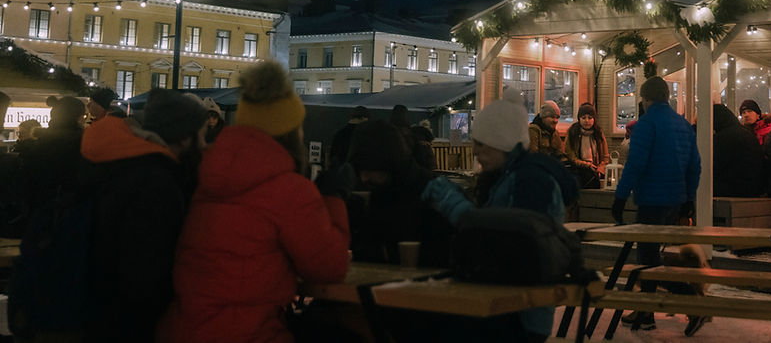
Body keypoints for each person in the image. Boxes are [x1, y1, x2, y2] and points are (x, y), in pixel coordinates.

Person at [161, 61, 350, 343]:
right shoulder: (288, 188)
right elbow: (329, 267)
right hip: (247, 333)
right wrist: (334, 199)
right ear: (291, 132)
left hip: (183, 328)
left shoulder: (212, 176)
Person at [422, 88, 579, 343]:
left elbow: (516, 242)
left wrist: (458, 209)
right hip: (503, 303)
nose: (474, 152)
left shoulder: (531, 181)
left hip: (519, 313)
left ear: (502, 143)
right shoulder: (506, 177)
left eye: (481, 144)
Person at [76, 88, 208, 342]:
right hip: (131, 321)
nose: (204, 143)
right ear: (183, 137)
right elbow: (147, 270)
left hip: (95, 309)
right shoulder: (156, 182)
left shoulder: (120, 164)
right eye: (201, 134)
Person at [611, 77, 705, 336]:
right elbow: (694, 166)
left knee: (648, 261)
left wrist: (620, 197)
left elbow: (635, 164)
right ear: (667, 96)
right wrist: (688, 200)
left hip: (651, 200)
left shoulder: (646, 125)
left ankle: (693, 303)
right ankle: (646, 312)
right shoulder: (683, 125)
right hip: (674, 201)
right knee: (652, 257)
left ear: (645, 98)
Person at [346, 119, 453, 267]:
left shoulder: (433, 192)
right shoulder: (379, 194)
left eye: (369, 168)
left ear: (389, 161)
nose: (363, 177)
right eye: (359, 170)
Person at [712, 103, 765, 198]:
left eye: (749, 111)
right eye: (744, 112)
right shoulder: (747, 134)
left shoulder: (725, 137)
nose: (746, 115)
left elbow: (714, 165)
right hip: (753, 188)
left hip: (732, 189)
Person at [565, 103, 610, 189]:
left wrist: (601, 167)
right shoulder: (573, 132)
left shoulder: (598, 132)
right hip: (578, 168)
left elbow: (605, 156)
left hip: (596, 168)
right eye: (583, 118)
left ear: (594, 119)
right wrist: (586, 165)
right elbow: (571, 156)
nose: (587, 121)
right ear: (579, 119)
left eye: (590, 118)